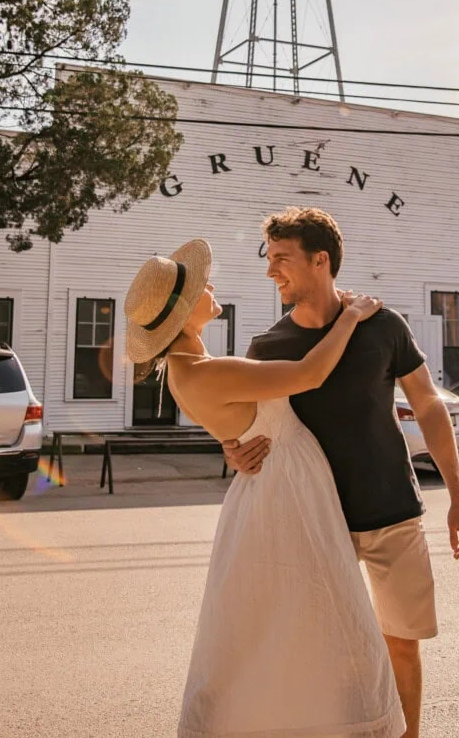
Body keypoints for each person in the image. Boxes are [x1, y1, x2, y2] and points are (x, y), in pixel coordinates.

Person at [124, 238, 407, 738]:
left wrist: (232, 446)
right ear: (183, 314)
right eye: (200, 287)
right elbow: (309, 374)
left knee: (280, 623)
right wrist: (351, 315)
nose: (211, 286)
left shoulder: (192, 368)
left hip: (273, 488)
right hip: (288, 494)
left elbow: (240, 420)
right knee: (318, 618)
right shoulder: (203, 371)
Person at [223, 207, 459, 738]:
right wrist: (232, 449)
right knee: (323, 651)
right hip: (313, 523)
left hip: (392, 510)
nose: (271, 271)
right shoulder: (268, 347)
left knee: (401, 645)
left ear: (320, 260)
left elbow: (428, 404)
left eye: (282, 259)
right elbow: (242, 424)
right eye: (269, 258)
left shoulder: (384, 326)